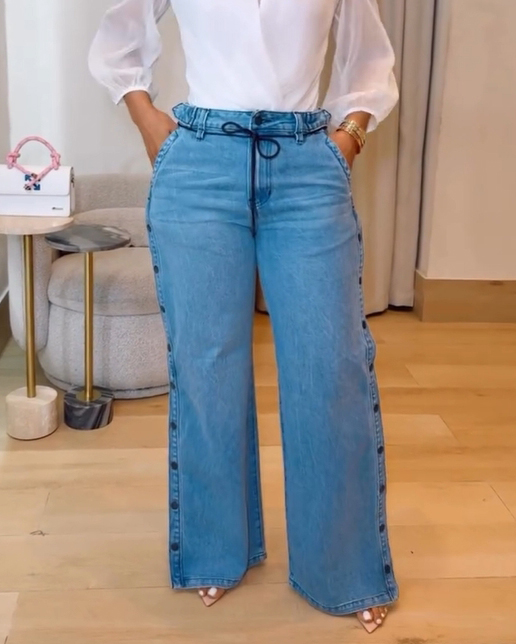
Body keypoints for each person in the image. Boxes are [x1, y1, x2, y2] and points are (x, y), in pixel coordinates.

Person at [89, 0, 399, 633]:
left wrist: (348, 137)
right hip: (200, 164)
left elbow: (369, 56)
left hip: (306, 164)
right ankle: (214, 548)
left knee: (329, 368)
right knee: (206, 368)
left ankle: (343, 567)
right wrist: (150, 124)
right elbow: (118, 38)